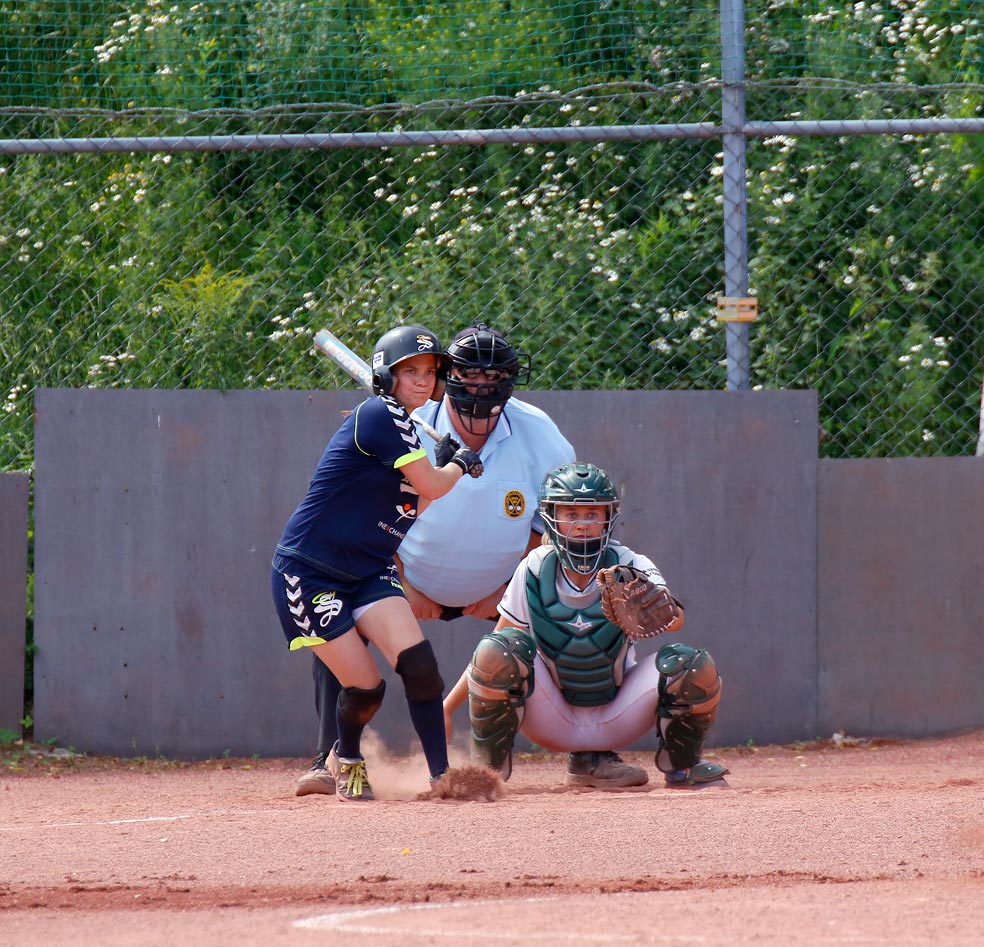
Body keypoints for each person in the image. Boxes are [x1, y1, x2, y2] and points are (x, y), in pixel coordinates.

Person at [295, 323, 575, 795]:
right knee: (338, 618)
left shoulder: (539, 433)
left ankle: (589, 754)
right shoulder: (399, 424)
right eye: (471, 379)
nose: (482, 391)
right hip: (403, 578)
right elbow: (368, 514)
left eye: (494, 381)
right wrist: (404, 585)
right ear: (449, 380)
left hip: (499, 590)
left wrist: (507, 597)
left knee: (573, 597)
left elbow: (549, 530)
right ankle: (331, 757)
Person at [271, 324, 484, 801]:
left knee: (421, 666)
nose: (423, 381)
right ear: (387, 376)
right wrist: (458, 466)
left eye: (430, 372)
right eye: (410, 371)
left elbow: (416, 504)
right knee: (366, 688)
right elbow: (432, 486)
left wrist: (445, 463)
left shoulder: (405, 431)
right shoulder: (379, 412)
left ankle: (441, 778)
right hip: (310, 571)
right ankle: (346, 756)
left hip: (368, 569)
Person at [441, 461, 729, 790]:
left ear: (608, 518)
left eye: (592, 515)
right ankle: (485, 775)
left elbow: (676, 621)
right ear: (552, 516)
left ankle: (682, 767)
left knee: (691, 665)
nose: (582, 525)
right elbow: (494, 644)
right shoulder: (534, 567)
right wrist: (447, 708)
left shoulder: (630, 563)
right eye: (571, 514)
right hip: (551, 717)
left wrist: (658, 609)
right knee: (498, 650)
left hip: (617, 712)